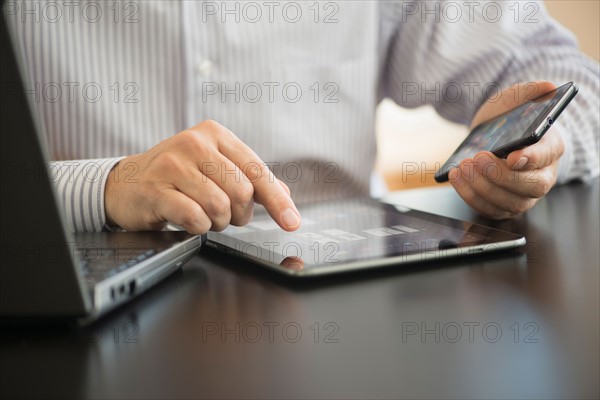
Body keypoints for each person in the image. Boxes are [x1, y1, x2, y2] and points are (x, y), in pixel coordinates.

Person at [5, 1, 599, 234]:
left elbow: (567, 76)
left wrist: (541, 150)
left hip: (335, 303)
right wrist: (106, 184)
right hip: (71, 304)